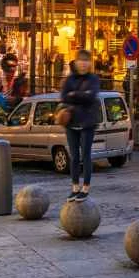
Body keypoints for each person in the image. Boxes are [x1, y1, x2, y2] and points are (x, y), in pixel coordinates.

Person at [60, 49, 101, 200]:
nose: (83, 65)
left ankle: (86, 188)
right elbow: (64, 96)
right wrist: (80, 96)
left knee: (86, 155)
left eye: (86, 62)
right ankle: (75, 187)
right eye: (80, 61)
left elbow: (91, 97)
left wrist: (74, 95)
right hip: (71, 123)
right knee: (74, 156)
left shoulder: (93, 79)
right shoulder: (70, 79)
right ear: (76, 63)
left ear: (90, 63)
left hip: (87, 123)